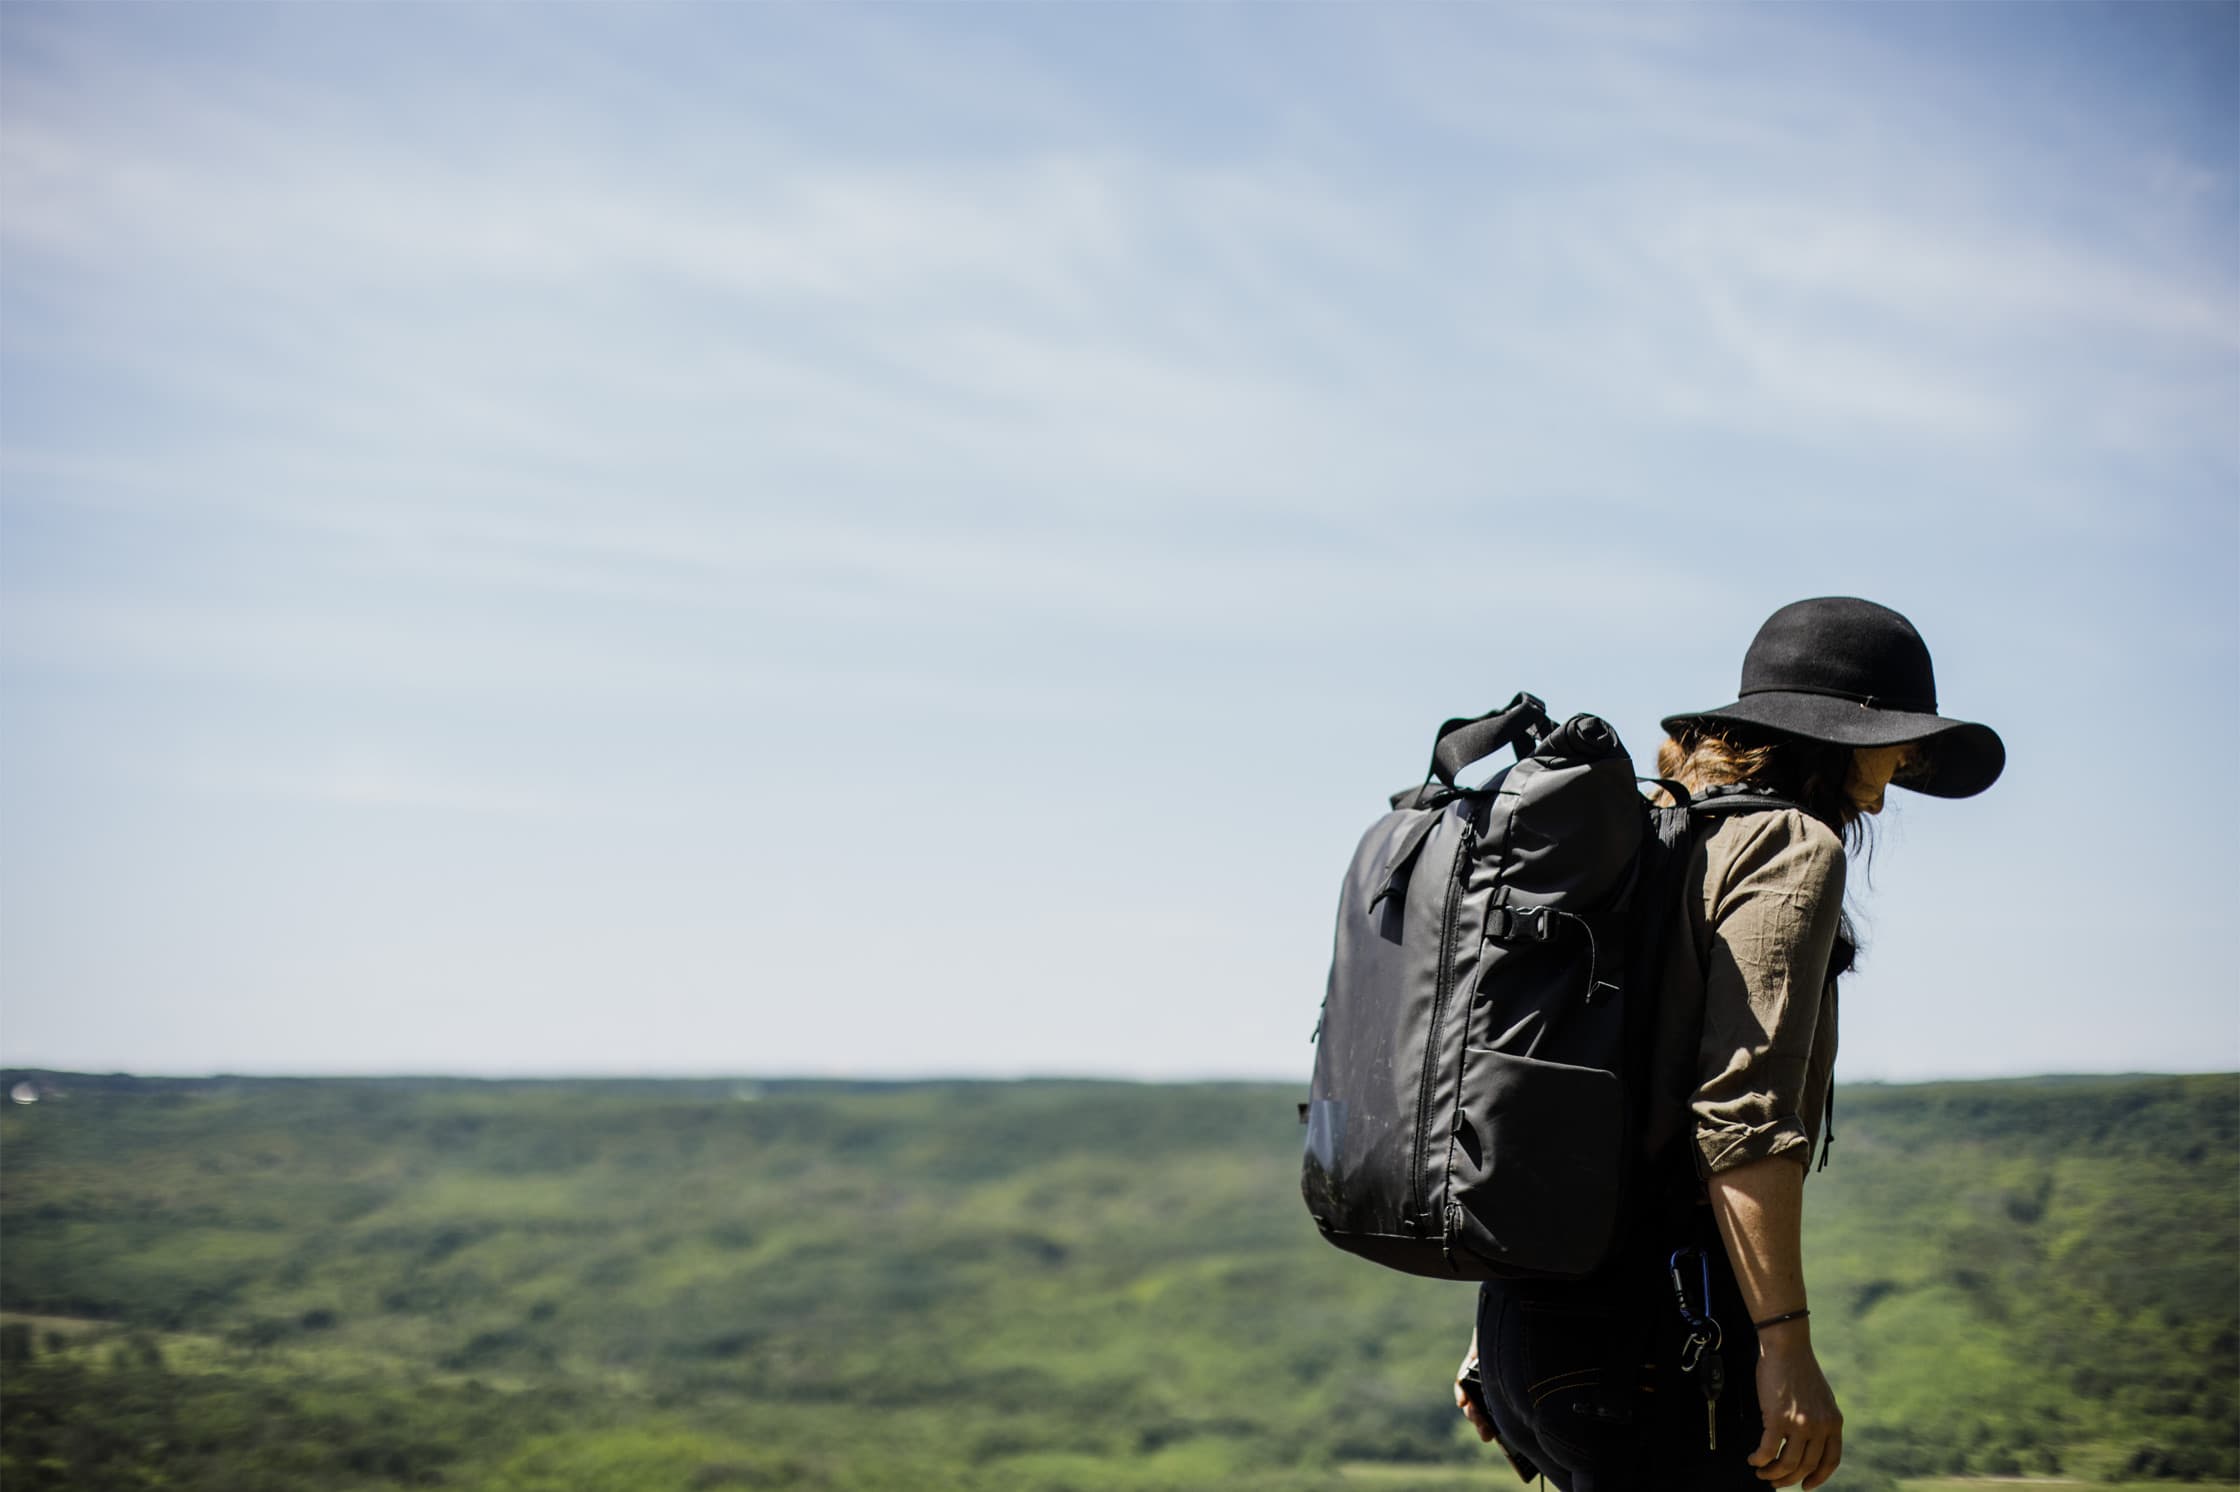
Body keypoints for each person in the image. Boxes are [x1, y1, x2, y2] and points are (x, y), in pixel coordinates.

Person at [1451, 596, 2005, 1491]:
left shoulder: (1648, 836)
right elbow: (1741, 1117)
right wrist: (1787, 1351)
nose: (1905, 761)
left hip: (1527, 1335)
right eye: (1899, 735)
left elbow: (1565, 1079)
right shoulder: (1787, 846)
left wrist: (1497, 1331)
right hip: (1662, 1338)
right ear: (1838, 736)